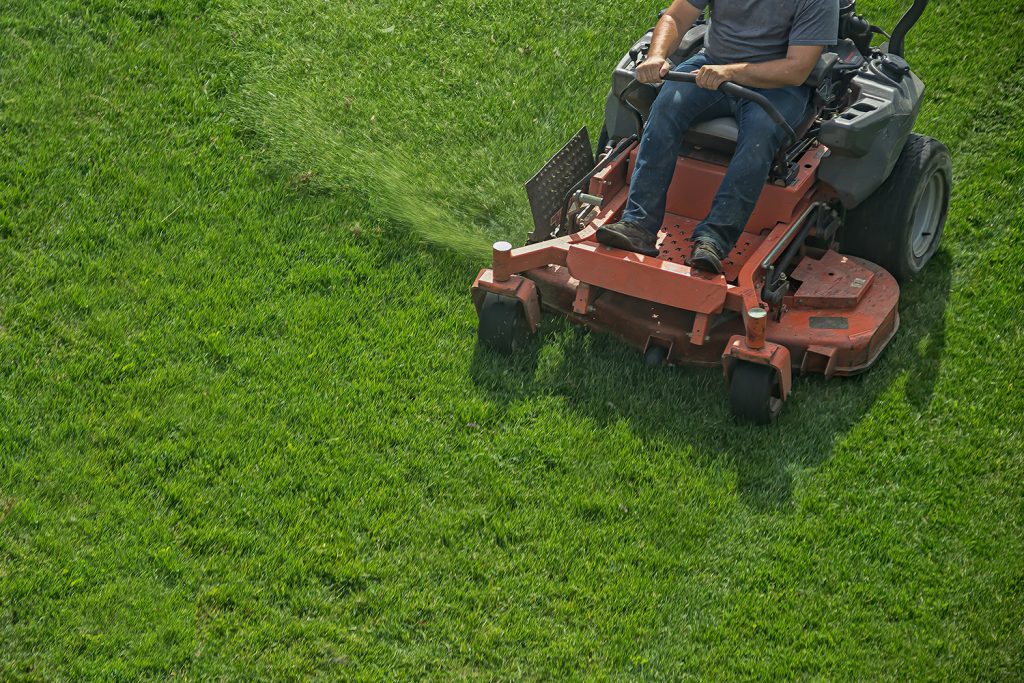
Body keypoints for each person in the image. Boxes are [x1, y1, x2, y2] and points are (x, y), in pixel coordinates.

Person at [596, 0, 839, 273]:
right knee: (665, 106)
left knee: (760, 135)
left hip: (777, 85)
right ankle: (638, 224)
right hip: (711, 65)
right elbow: (676, 18)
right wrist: (657, 55)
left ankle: (713, 240)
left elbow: (796, 69)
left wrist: (729, 72)